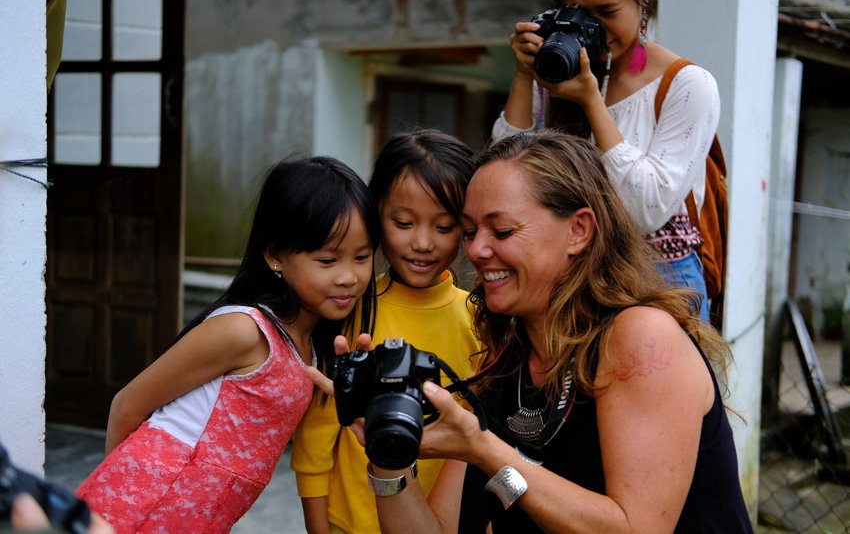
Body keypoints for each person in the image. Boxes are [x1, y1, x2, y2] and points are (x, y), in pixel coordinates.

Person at [312, 131, 752, 532]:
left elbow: (634, 527)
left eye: (501, 230)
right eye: (469, 231)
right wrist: (389, 455)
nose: (477, 250)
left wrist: (486, 450)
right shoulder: (504, 365)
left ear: (578, 230)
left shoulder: (640, 337)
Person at [75, 156, 380, 534]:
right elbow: (127, 405)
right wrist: (117, 501)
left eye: (362, 257)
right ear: (274, 256)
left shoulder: (314, 347)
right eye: (328, 260)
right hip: (139, 509)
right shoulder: (244, 330)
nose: (348, 277)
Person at [491, 0, 720, 323]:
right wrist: (524, 74)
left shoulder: (687, 85)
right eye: (576, 12)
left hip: (657, 283)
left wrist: (591, 102)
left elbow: (643, 211)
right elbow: (506, 176)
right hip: (566, 282)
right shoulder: (559, 69)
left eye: (606, 12)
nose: (593, 27)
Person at [291, 129, 482, 534]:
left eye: (445, 227)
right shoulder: (349, 311)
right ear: (377, 214)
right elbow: (317, 433)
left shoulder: (478, 322)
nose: (423, 243)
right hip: (348, 522)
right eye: (403, 222)